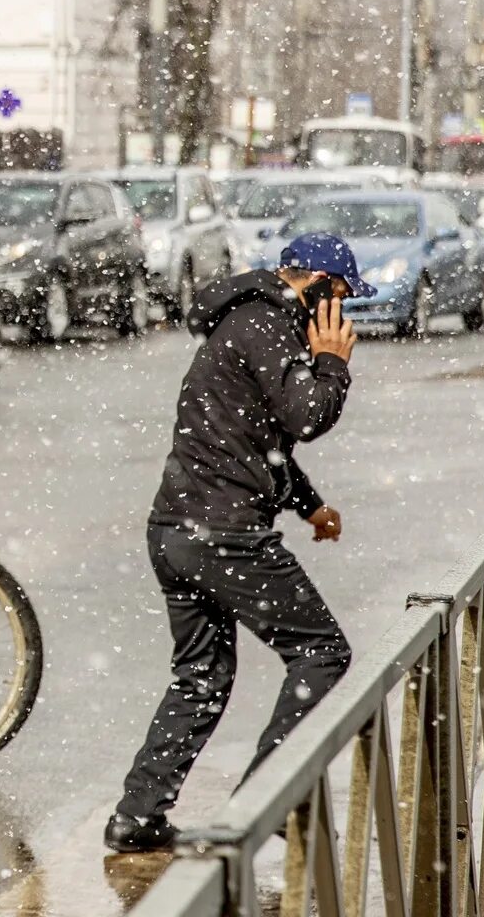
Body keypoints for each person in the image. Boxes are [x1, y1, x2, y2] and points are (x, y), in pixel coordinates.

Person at [105, 232, 363, 854]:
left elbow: (262, 441)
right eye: (341, 301)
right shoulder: (267, 324)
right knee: (323, 653)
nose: (344, 318)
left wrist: (310, 505)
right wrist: (333, 363)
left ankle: (136, 818)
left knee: (202, 676)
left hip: (176, 530)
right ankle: (261, 803)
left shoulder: (247, 321)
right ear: (317, 287)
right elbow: (305, 416)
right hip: (224, 535)